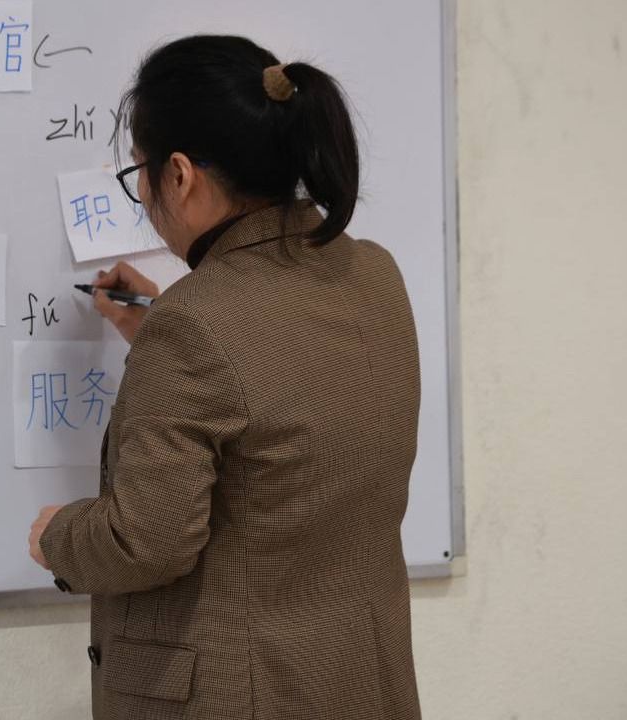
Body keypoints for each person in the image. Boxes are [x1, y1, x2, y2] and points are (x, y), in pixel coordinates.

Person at [28, 34, 422, 720]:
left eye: (140, 176)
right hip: (361, 685)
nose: (145, 195)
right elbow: (288, 401)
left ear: (179, 175)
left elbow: (144, 541)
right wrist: (157, 333)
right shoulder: (375, 274)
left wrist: (58, 536)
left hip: (239, 696)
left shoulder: (195, 324)